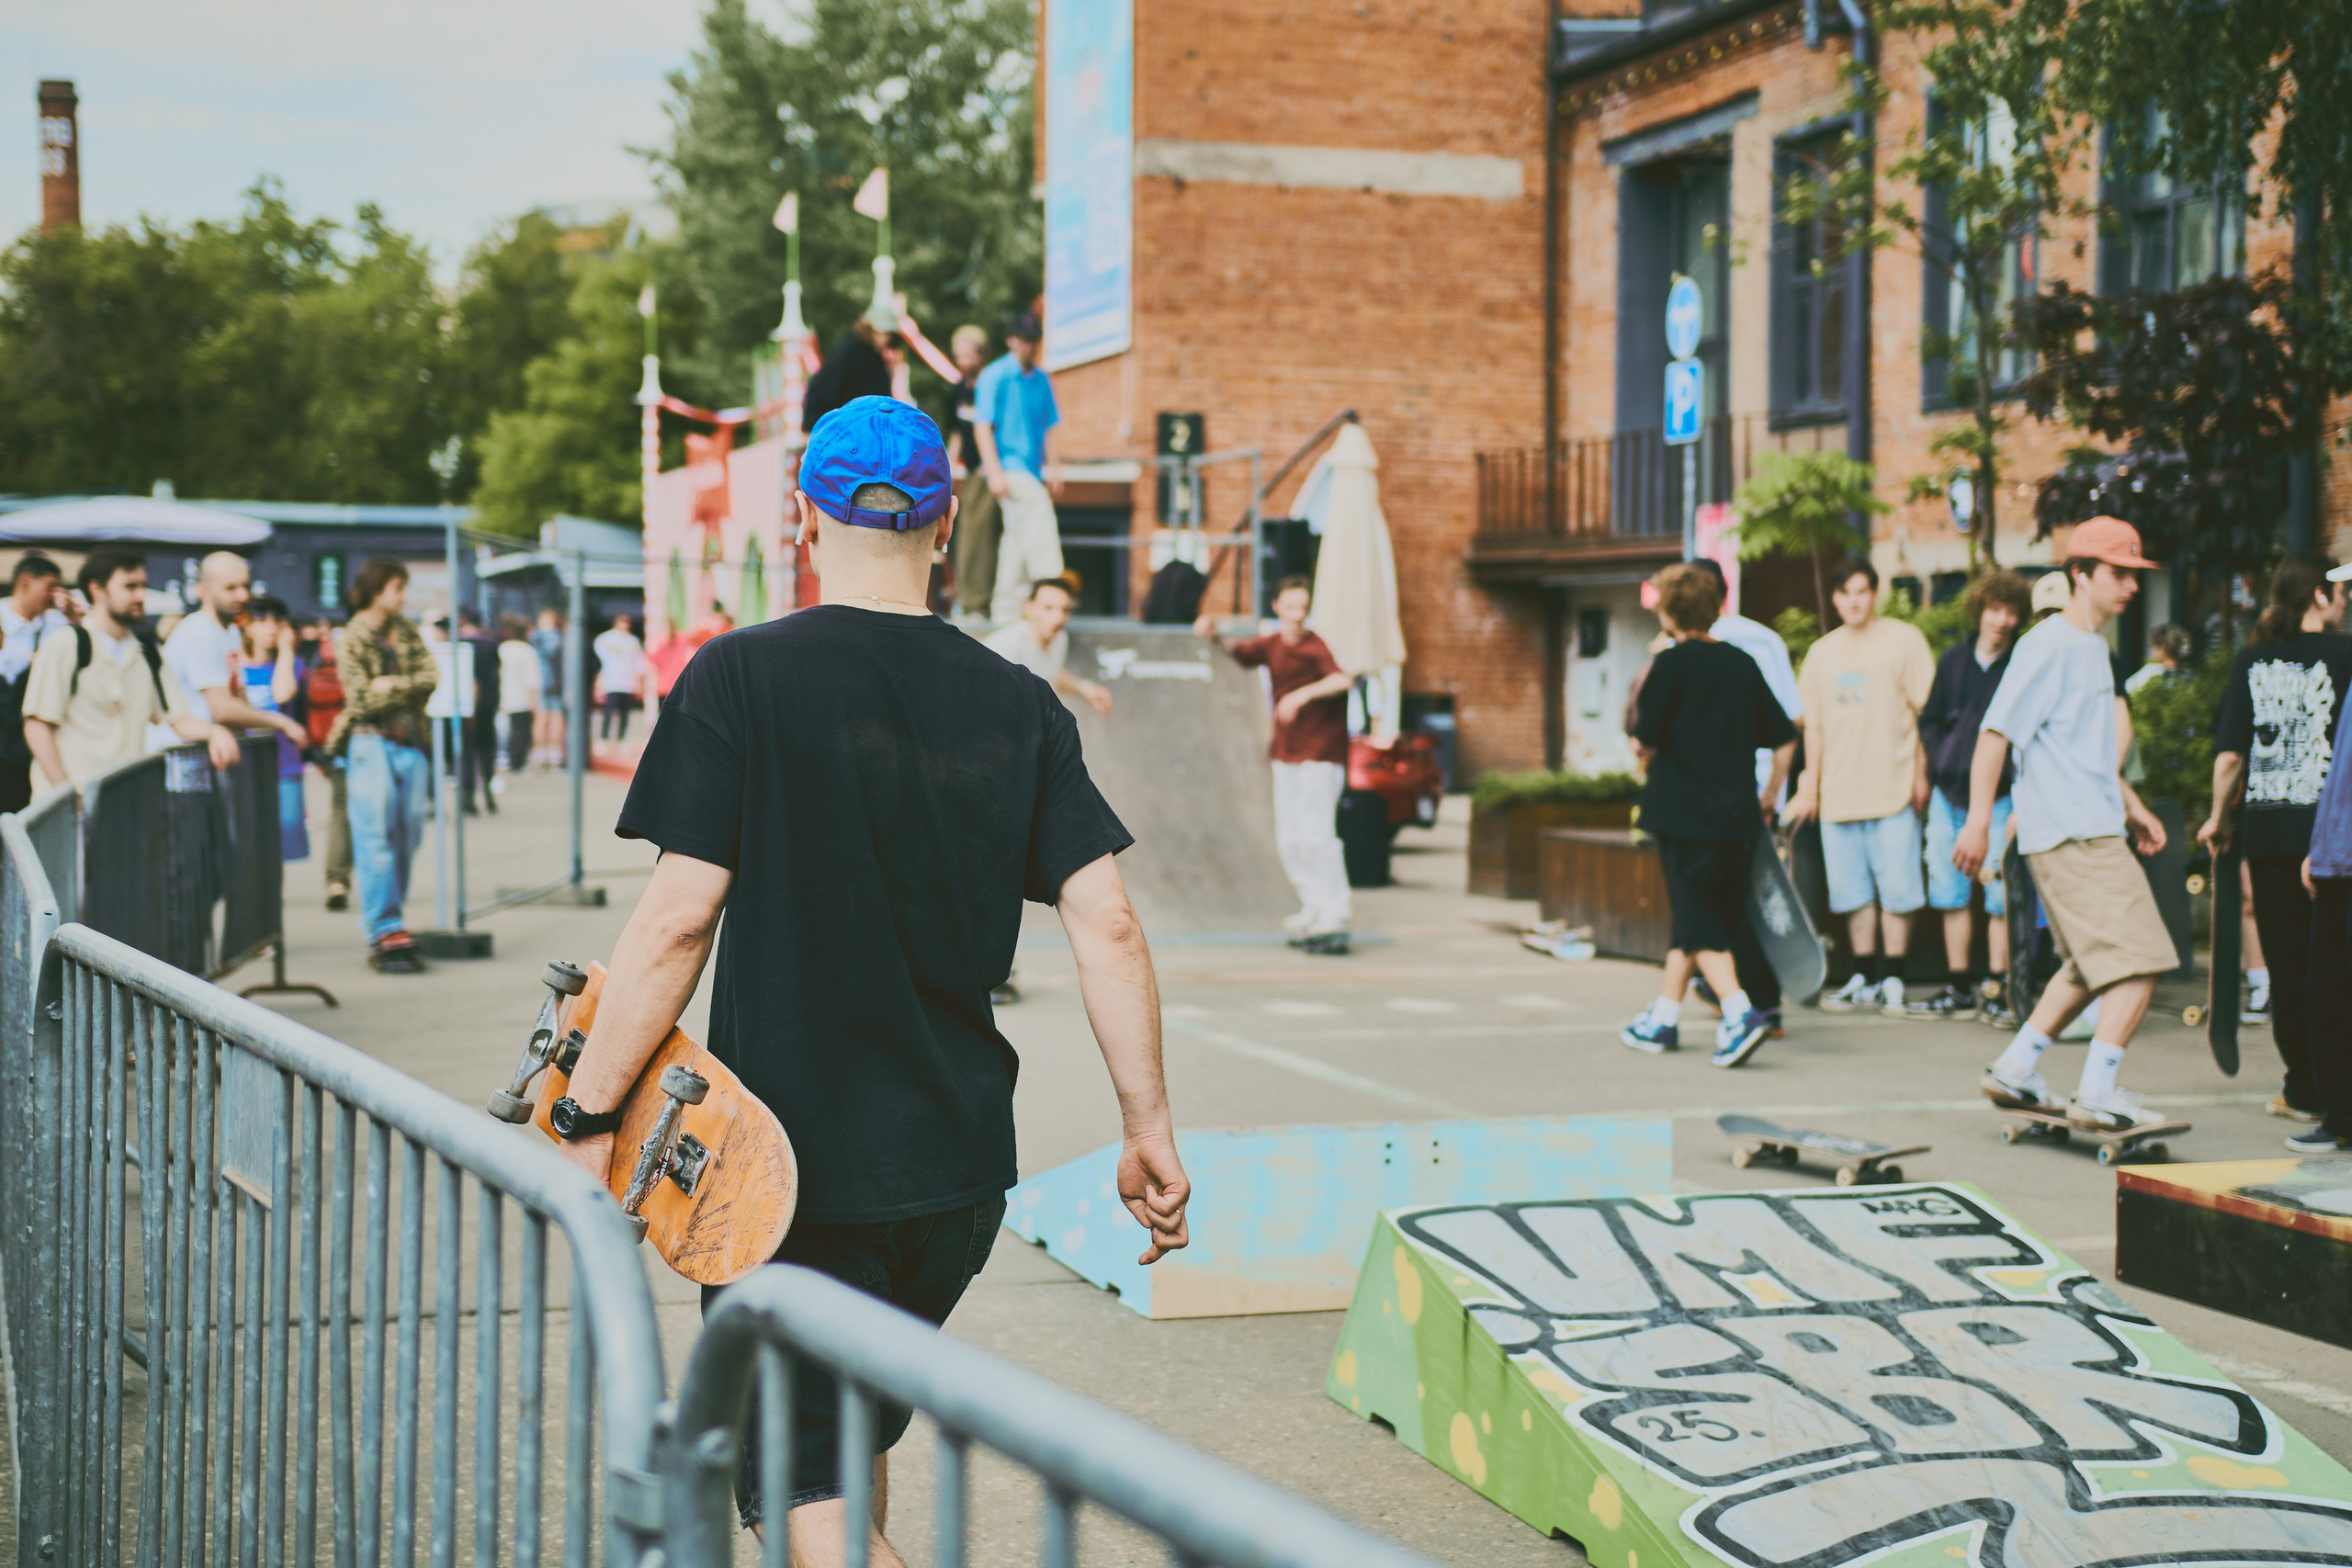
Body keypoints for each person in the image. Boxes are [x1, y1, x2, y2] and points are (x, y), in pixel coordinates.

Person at [553, 396, 1188, 1560]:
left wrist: (588, 1113)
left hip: (793, 1177)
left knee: (797, 1495)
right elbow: (1109, 925)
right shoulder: (1020, 702)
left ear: (804, 518)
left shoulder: (739, 676)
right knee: (846, 1447)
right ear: (944, 527)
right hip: (955, 1178)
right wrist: (1146, 1128)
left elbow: (678, 922)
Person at [1958, 518, 2175, 1131]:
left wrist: (2131, 806)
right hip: (2073, 833)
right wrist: (1977, 822)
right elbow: (1995, 733)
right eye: (2118, 573)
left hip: (2089, 822)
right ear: (2080, 574)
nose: (2131, 586)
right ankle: (2098, 1091)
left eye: (2135, 574)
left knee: (2087, 963)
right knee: (2142, 957)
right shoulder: (2049, 645)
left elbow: (2085, 753)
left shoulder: (2094, 649)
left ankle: (2014, 1068)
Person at [1618, 563, 1796, 1066]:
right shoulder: (1742, 663)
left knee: (1699, 921)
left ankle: (1740, 1013)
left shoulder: (1669, 665)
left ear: (1670, 612)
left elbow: (1644, 739)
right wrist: (1770, 793)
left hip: (1683, 816)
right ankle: (1663, 1018)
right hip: (1737, 817)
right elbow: (1785, 738)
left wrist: (1643, 750)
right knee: (1696, 916)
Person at [2199, 554, 2352, 1125]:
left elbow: (2230, 757)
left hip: (2269, 834)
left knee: (2287, 966)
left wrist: (2218, 818)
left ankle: (2303, 1089)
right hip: (2330, 834)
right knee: (2332, 965)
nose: (2345, 602)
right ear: (2319, 595)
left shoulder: (2252, 658)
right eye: (2340, 592)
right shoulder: (2346, 654)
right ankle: (2338, 1090)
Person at [1784, 553, 1936, 1016]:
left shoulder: (1904, 641)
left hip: (1894, 789)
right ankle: (1865, 977)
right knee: (1852, 894)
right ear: (1835, 598)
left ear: (1874, 593)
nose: (1853, 601)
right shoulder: (1821, 653)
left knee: (1898, 890)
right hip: (1839, 793)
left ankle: (1895, 979)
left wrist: (1922, 775)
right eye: (1845, 593)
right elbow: (1813, 727)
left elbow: (1926, 715)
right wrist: (1810, 786)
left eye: (1861, 591)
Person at [1193, 576, 1356, 953]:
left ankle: (1335, 911)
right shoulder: (1272, 643)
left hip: (1321, 753)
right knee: (1290, 837)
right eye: (1292, 607)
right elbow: (1241, 654)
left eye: (1304, 607)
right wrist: (1214, 636)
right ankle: (1313, 905)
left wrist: (1301, 695)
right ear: (1278, 607)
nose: (1298, 615)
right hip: (1286, 752)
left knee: (1317, 834)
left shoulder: (1315, 646)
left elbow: (1342, 680)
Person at [1687, 557, 1802, 1036]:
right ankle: (1756, 1002)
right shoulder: (1764, 641)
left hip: (1708, 796)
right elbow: (1790, 721)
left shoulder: (1688, 649)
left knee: (1714, 899)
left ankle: (1736, 999)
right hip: (1755, 790)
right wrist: (1774, 790)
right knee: (1754, 894)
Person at [1910, 570, 2031, 1022]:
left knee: (2000, 894)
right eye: (1995, 610)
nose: (2002, 620)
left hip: (2002, 795)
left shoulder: (2022, 664)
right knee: (1949, 890)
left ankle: (1999, 988)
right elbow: (1929, 718)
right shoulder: (1953, 661)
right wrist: (1939, 757)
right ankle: (1958, 986)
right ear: (1979, 610)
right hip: (1948, 792)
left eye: (2011, 612)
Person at [22, 547, 240, 788]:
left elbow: (179, 719)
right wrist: (66, 791)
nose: (141, 596)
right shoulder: (66, 642)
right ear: (97, 590)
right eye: (130, 587)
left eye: (143, 586)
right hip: (71, 800)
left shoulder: (147, 651)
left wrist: (215, 732)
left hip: (123, 800)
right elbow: (37, 725)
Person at [327, 559, 438, 975]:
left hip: (410, 743)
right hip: (369, 742)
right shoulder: (352, 635)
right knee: (375, 837)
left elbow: (431, 678)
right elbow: (360, 700)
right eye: (397, 588)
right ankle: (385, 926)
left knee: (409, 833)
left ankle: (392, 918)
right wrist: (404, 689)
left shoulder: (406, 630)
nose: (404, 596)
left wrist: (390, 684)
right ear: (376, 590)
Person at [164, 550, 310, 757]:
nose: (242, 596)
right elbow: (223, 710)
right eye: (230, 588)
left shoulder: (230, 631)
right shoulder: (199, 631)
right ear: (203, 590)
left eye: (245, 586)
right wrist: (282, 722)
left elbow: (239, 697)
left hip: (211, 757)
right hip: (184, 759)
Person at [972, 312, 1064, 623]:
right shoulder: (994, 376)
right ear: (1012, 340)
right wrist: (994, 472)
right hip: (1007, 466)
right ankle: (1051, 584)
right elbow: (982, 427)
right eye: (1024, 340)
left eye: (1033, 340)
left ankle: (1007, 609)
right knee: (1038, 510)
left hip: (1032, 468)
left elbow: (1049, 428)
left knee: (1017, 536)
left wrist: (1054, 469)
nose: (1029, 346)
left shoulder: (1042, 381)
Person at [0, 555, 77, 811]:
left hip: (35, 735)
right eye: (49, 587)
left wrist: (74, 619)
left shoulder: (58, 625)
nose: (54, 596)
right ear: (25, 582)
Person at [238, 596, 311, 862]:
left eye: (277, 620)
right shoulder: (234, 667)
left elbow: (282, 694)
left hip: (283, 767)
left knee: (280, 851)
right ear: (247, 626)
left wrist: (286, 650)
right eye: (261, 619)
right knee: (247, 846)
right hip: (243, 768)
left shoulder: (291, 665)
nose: (271, 626)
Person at [983, 577, 1114, 716]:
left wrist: (1085, 689)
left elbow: (1050, 674)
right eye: (1048, 608)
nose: (1058, 618)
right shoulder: (1007, 644)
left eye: (1065, 610)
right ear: (1029, 608)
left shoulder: (1060, 638)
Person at [944, 324, 1001, 620]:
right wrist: (946, 469)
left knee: (980, 537)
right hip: (968, 473)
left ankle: (978, 603)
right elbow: (956, 433)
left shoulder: (993, 385)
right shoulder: (959, 389)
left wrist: (990, 466)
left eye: (969, 355)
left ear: (982, 353)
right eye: (959, 356)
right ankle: (966, 600)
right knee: (964, 536)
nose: (963, 361)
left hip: (991, 472)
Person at [304, 615, 352, 908]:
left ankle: (337, 879)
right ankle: (342, 878)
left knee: (340, 810)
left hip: (330, 744)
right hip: (358, 740)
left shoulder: (312, 655)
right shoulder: (356, 644)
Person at [803, 315, 900, 431]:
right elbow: (822, 389)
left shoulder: (873, 356)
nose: (886, 340)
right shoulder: (850, 352)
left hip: (862, 426)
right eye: (883, 334)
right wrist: (815, 426)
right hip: (848, 428)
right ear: (871, 331)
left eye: (889, 336)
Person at [459, 610, 502, 813]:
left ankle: (468, 796)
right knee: (487, 749)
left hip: (466, 705)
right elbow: (497, 673)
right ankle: (488, 792)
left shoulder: (459, 645)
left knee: (467, 750)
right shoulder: (491, 645)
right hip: (488, 702)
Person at [497, 615, 541, 774]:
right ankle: (518, 761)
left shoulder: (503, 648)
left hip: (503, 695)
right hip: (522, 697)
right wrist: (533, 701)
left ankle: (506, 757)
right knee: (521, 731)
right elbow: (531, 678)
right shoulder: (527, 650)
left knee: (507, 730)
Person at [594, 614, 645, 742]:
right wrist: (599, 684)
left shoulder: (633, 642)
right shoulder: (605, 639)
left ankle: (622, 737)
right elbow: (601, 663)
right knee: (609, 710)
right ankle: (604, 737)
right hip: (612, 681)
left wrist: (638, 683)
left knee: (625, 712)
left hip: (627, 682)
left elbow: (638, 664)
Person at [530, 608, 567, 767]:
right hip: (555, 682)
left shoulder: (535, 636)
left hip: (540, 680)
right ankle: (552, 751)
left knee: (543, 717)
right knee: (554, 716)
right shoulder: (558, 637)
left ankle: (541, 751)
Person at [2126, 624, 2194, 695]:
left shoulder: (2151, 672)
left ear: (2162, 649)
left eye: (2154, 646)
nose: (2152, 650)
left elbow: (2129, 688)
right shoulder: (2188, 674)